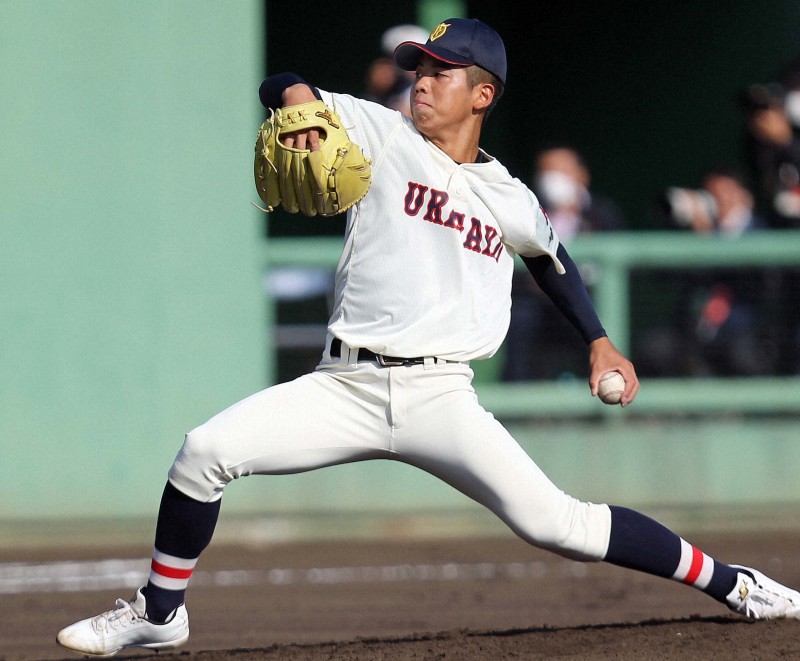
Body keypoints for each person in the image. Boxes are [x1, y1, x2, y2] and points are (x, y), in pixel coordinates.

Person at [56, 17, 800, 657]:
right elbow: (284, 79)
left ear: (482, 95)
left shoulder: (508, 192)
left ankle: (737, 582)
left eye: (442, 72)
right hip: (341, 384)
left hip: (440, 394)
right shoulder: (380, 131)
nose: (422, 79)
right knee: (203, 452)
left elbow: (550, 257)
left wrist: (599, 339)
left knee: (559, 522)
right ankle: (159, 614)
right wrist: (298, 106)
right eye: (420, 66)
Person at [503, 145, 626, 381]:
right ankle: (520, 400)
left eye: (559, 171)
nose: (551, 179)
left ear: (581, 175)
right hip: (539, 302)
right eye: (546, 171)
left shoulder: (602, 213)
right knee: (521, 318)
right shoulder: (530, 211)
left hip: (588, 301)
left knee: (595, 323)